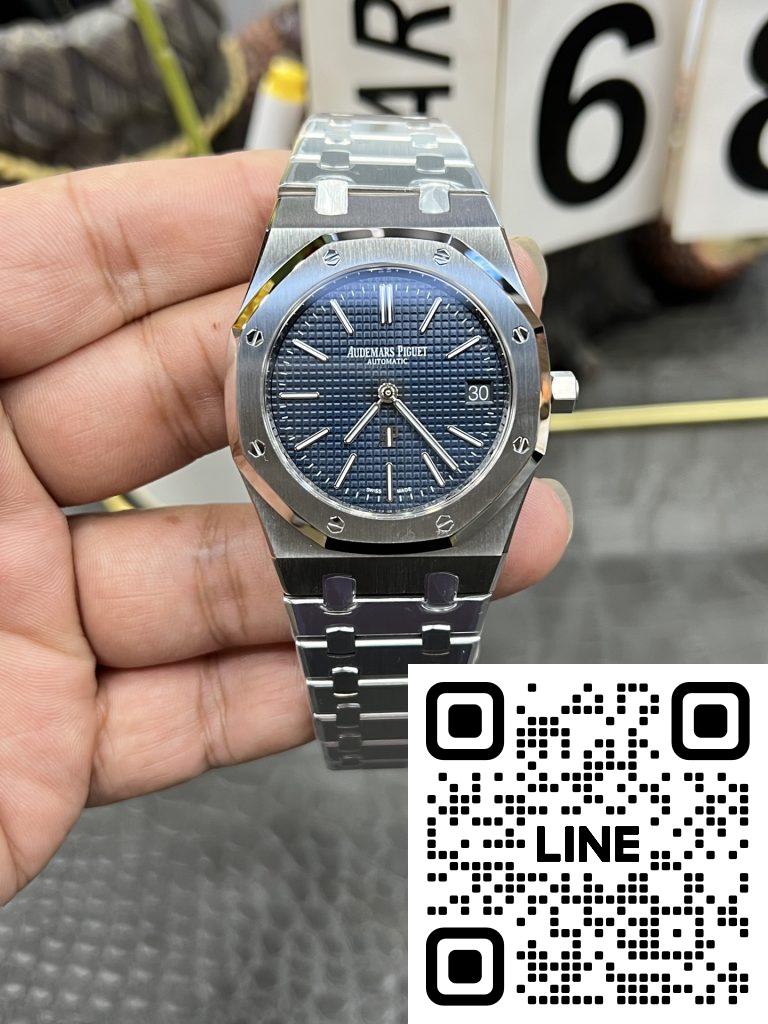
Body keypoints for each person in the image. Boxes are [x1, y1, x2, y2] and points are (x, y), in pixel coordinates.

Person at [0, 151, 572, 904]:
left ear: (544, 394)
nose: (388, 392)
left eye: (395, 388)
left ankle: (383, 727)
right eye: (381, 388)